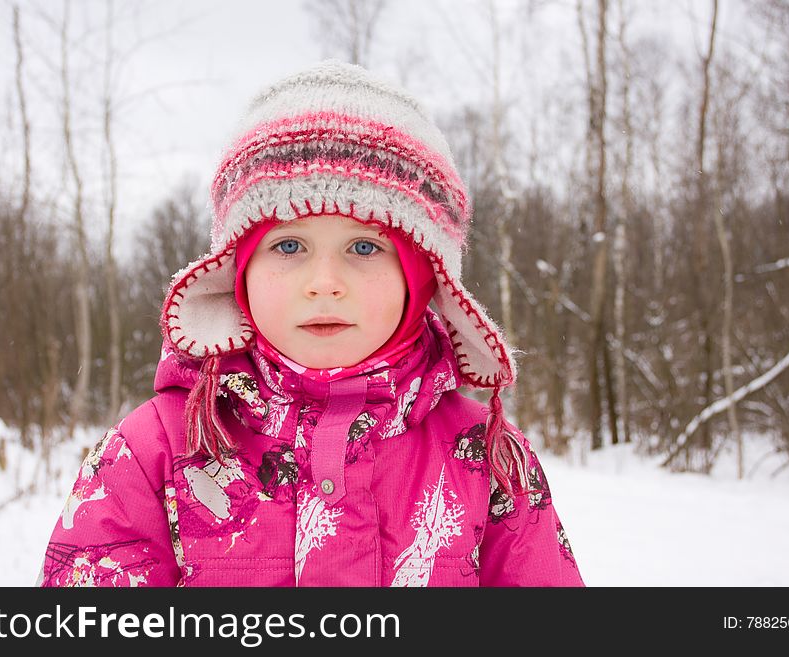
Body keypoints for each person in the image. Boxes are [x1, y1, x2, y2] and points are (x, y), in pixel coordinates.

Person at [38, 60, 584, 587]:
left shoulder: (487, 459)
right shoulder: (154, 452)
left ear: (422, 275)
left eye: (365, 246)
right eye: (290, 245)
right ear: (239, 268)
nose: (324, 282)